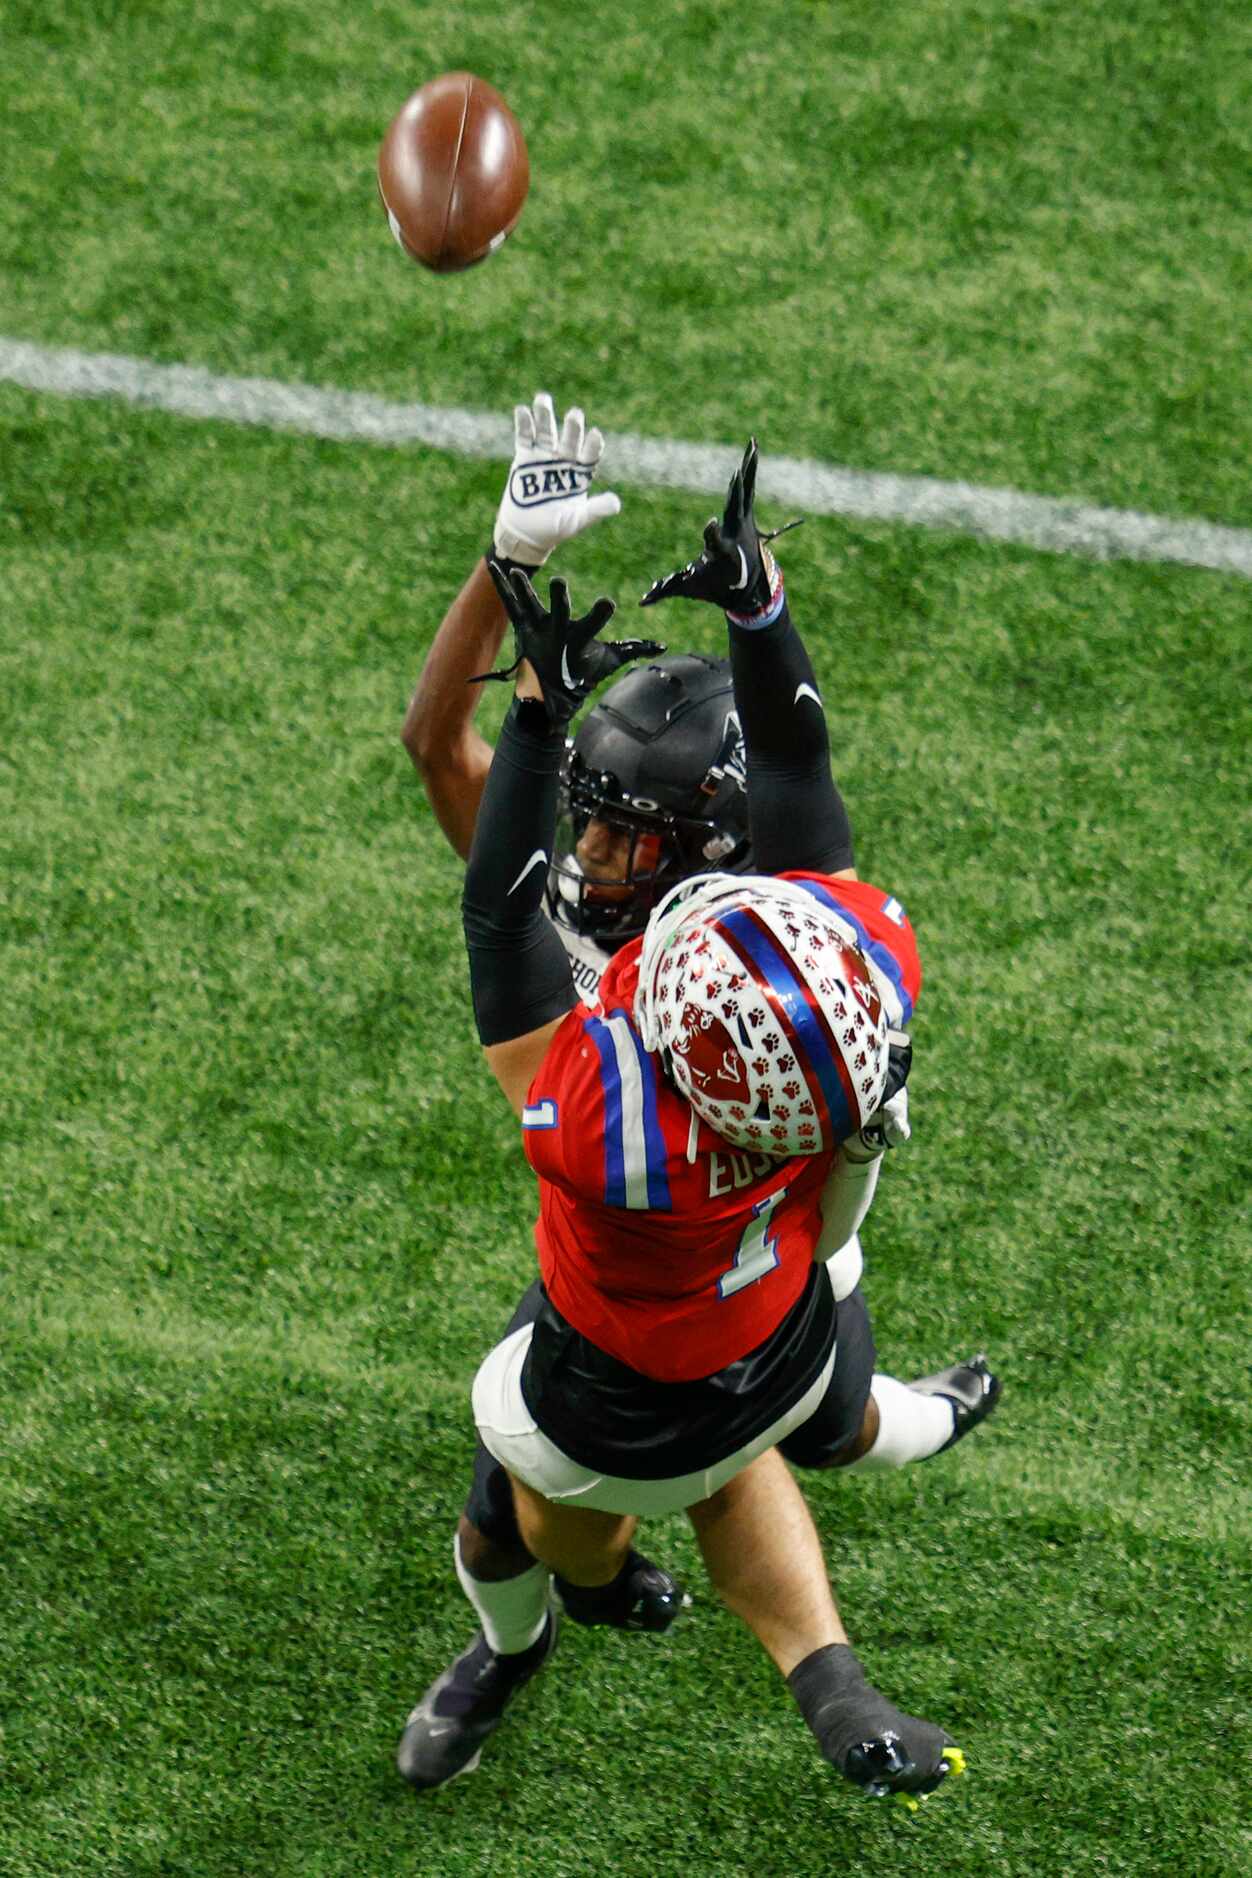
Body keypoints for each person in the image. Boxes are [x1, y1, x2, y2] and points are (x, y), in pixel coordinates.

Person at [398, 406, 999, 1798]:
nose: (589, 853)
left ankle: (895, 1424)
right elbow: (444, 752)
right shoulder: (815, 943)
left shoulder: (599, 1098)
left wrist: (516, 605)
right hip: (781, 1229)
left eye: (624, 832)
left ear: (708, 850)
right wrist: (750, 611)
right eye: (587, 814)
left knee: (797, 1435)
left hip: (701, 1255)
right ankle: (525, 1646)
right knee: (775, 1434)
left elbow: (484, 866)